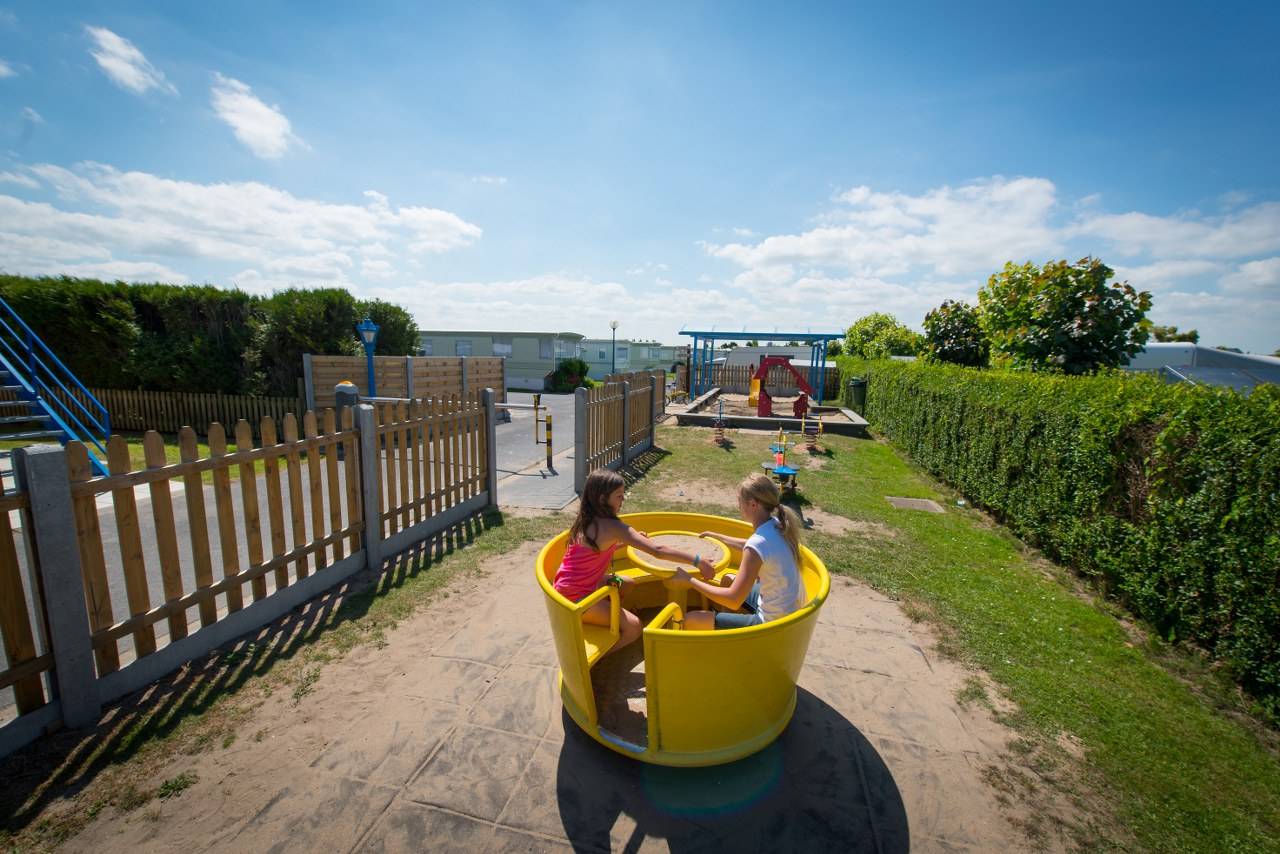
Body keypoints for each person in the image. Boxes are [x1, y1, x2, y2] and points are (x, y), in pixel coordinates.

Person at [554, 469, 715, 653]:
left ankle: (610, 616)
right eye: (619, 496)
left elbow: (598, 549)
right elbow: (658, 551)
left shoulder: (587, 519)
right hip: (577, 599)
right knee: (635, 627)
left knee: (627, 583)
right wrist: (698, 561)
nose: (623, 500)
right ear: (602, 499)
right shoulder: (613, 526)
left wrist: (628, 541)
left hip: (572, 586)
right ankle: (601, 659)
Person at [669, 473, 806, 630]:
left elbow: (734, 600)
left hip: (772, 623)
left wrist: (689, 580)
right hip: (786, 609)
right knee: (727, 579)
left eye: (740, 501)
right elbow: (754, 547)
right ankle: (724, 632)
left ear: (753, 504)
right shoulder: (776, 525)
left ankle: (728, 633)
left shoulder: (758, 543)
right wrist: (718, 537)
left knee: (691, 619)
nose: (738, 506)